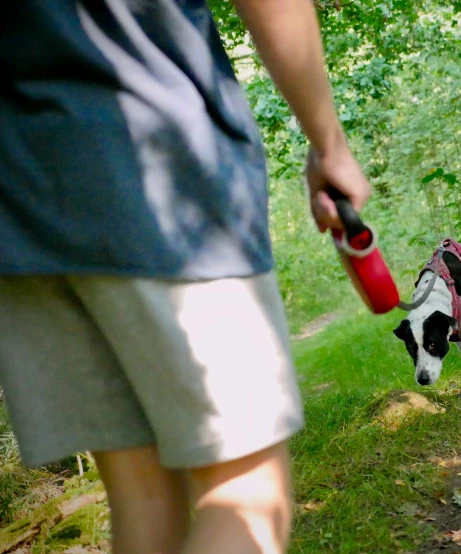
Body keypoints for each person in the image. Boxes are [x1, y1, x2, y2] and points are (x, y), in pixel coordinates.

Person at [0, 1, 370, 553]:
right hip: (161, 174)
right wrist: (329, 143)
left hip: (20, 202)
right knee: (245, 492)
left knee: (144, 502)